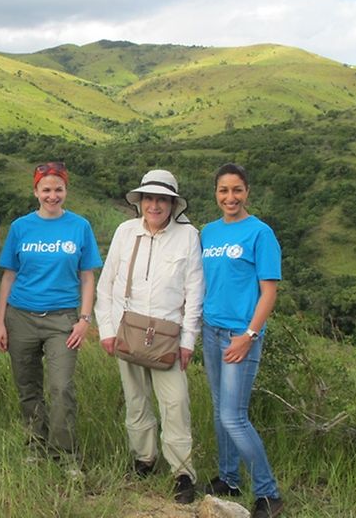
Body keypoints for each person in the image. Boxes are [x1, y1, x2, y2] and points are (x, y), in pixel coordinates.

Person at [94, 169, 204, 504]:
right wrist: (107, 330)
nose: (154, 205)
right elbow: (107, 283)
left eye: (161, 199)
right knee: (136, 399)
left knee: (175, 404)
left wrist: (188, 341)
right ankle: (144, 458)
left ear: (173, 204)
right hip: (128, 328)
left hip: (168, 335)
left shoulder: (188, 236)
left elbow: (194, 292)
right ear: (140, 201)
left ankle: (182, 473)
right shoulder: (126, 232)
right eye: (148, 198)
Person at [0, 161, 102, 476]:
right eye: (46, 189)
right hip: (21, 316)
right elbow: (8, 276)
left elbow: (88, 276)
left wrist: (84, 319)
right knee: (28, 386)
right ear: (35, 191)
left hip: (63, 319)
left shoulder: (80, 226)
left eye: (58, 189)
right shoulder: (20, 227)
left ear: (66, 190)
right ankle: (34, 447)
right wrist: (0, 322)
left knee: (61, 387)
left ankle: (66, 455)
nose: (52, 195)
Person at [200, 163, 284, 518]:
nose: (230, 197)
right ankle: (229, 479)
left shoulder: (260, 233)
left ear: (247, 191)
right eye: (223, 190)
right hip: (210, 329)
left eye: (236, 190)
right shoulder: (207, 232)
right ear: (216, 193)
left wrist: (249, 336)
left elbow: (269, 292)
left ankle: (268, 493)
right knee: (221, 412)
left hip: (240, 336)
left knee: (234, 416)